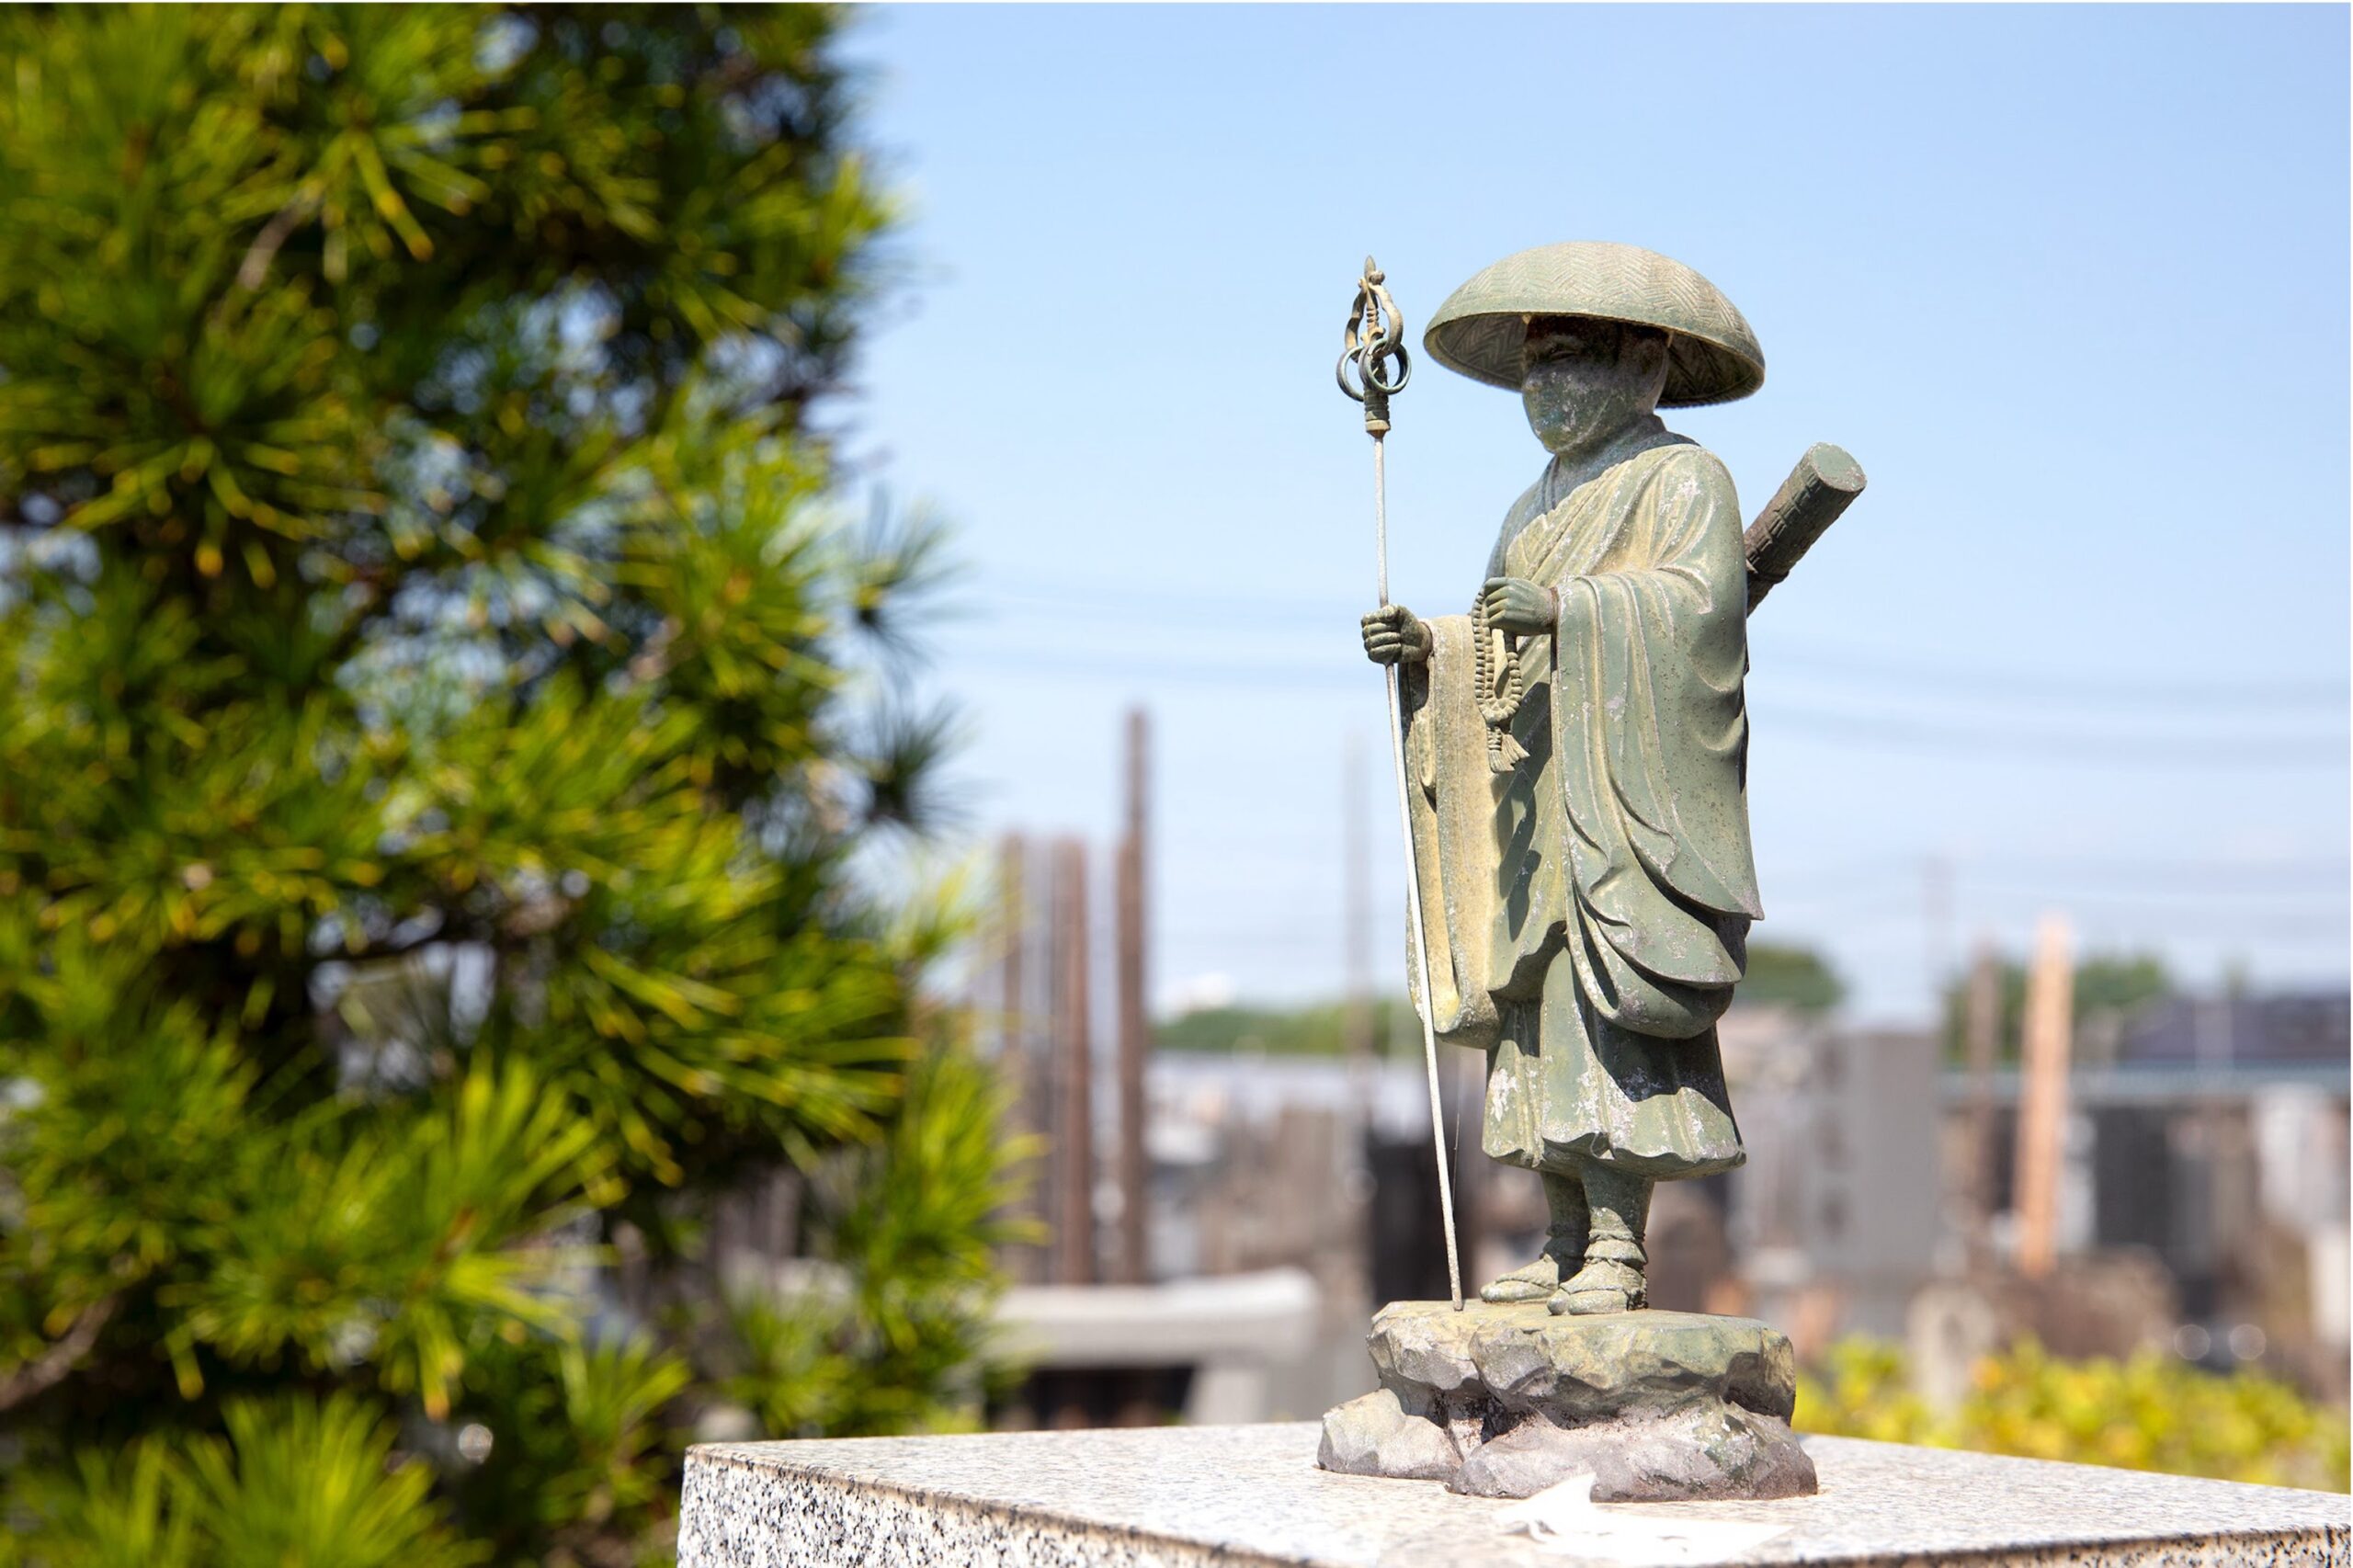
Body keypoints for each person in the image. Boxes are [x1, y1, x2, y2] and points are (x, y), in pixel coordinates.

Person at [1359, 242, 1764, 1315]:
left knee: (1603, 1008)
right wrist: (1431, 648)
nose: (1545, 386)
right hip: (1532, 796)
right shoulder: (1528, 508)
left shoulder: (1682, 480)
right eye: (1534, 367)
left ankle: (1620, 1245)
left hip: (1615, 803)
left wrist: (1577, 608)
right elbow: (1493, 641)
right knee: (1530, 1013)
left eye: (1571, 359)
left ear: (1645, 366)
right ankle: (1562, 1233)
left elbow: (1700, 610)